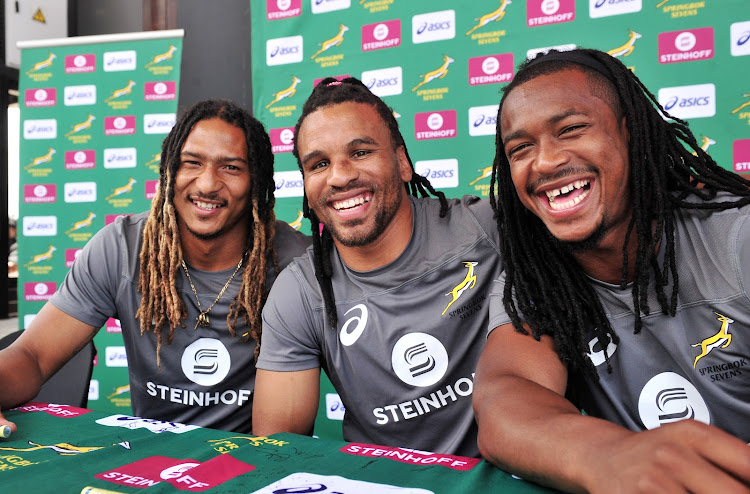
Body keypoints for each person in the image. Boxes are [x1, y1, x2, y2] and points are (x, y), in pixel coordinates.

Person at [474, 48, 750, 493]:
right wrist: (605, 455)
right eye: (520, 148)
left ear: (630, 133)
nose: (544, 162)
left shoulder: (738, 235)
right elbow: (505, 398)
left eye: (571, 129)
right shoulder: (538, 276)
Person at [0, 99, 310, 434]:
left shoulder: (296, 264)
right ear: (169, 171)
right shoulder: (122, 249)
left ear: (256, 182)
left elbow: (280, 443)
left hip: (252, 465)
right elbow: (33, 354)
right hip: (150, 462)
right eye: (191, 163)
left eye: (231, 168)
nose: (207, 184)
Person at [252, 78, 503, 457]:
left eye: (360, 152)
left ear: (402, 162)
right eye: (319, 164)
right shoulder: (301, 291)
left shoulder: (487, 229)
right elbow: (276, 451)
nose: (339, 176)